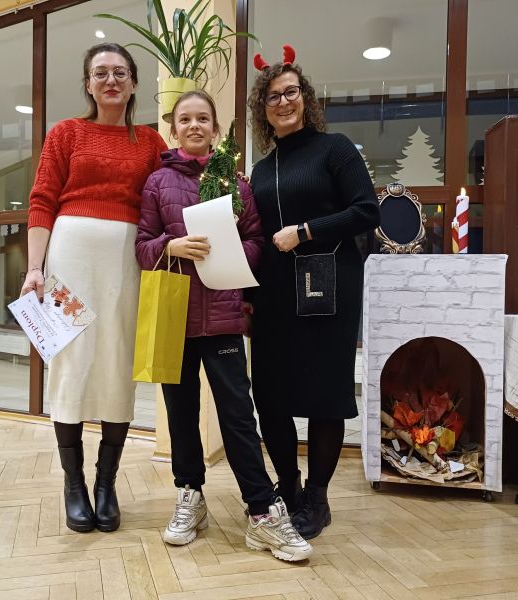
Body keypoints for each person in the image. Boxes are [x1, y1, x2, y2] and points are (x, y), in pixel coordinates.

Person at [135, 90, 312, 562]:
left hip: (224, 315)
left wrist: (232, 253)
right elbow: (142, 246)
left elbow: (256, 240)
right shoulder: (156, 183)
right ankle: (190, 496)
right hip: (174, 317)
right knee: (180, 414)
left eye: (203, 119)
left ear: (215, 129)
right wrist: (170, 246)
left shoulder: (236, 183)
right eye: (185, 119)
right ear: (174, 129)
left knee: (237, 415)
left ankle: (261, 512)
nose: (194, 126)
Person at [22, 43, 167, 533]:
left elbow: (166, 198)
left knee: (117, 362)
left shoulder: (151, 141)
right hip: (69, 259)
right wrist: (35, 268)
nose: (111, 80)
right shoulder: (66, 132)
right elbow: (42, 200)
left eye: (120, 73)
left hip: (127, 263)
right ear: (87, 83)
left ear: (133, 83)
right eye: (100, 73)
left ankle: (106, 486)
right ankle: (74, 485)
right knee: (71, 362)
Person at [247, 47, 380, 539]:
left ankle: (318, 499)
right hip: (274, 294)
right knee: (271, 397)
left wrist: (304, 231)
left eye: (291, 92)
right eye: (273, 97)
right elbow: (255, 235)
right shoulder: (262, 170)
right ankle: (289, 488)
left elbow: (367, 211)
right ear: (262, 109)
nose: (283, 102)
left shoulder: (335, 148)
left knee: (325, 395)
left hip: (329, 288)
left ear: (305, 97)